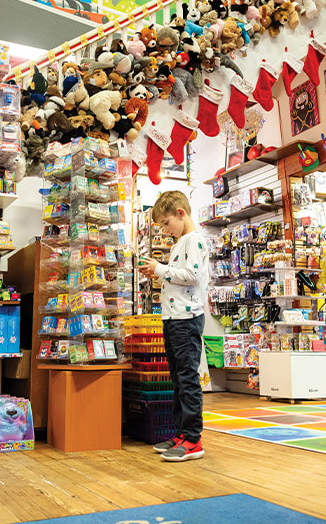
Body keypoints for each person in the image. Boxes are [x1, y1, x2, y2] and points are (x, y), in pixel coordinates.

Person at [137, 191, 209, 462]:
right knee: (178, 379)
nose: (165, 231)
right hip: (173, 317)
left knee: (188, 378)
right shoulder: (181, 242)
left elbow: (192, 276)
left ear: (181, 213)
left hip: (186, 318)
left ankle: (193, 439)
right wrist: (160, 270)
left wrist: (160, 269)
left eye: (166, 223)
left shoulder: (195, 241)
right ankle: (182, 433)